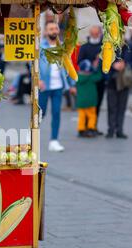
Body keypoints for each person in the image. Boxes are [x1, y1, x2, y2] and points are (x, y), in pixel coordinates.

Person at [39, 21, 76, 152]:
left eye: (55, 28)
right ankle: (31, 134)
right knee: (39, 113)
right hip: (44, 86)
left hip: (58, 86)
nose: (54, 31)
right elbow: (32, 64)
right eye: (51, 29)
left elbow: (68, 65)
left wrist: (71, 84)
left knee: (56, 113)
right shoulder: (40, 47)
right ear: (46, 32)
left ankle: (54, 141)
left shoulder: (62, 47)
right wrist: (37, 79)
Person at [106, 40, 132, 139]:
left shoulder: (131, 47)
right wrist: (113, 65)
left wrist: (125, 64)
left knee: (121, 107)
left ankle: (119, 130)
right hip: (111, 82)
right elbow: (103, 63)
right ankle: (111, 130)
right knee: (111, 107)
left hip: (125, 82)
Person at [78, 26, 106, 134]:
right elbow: (80, 61)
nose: (94, 35)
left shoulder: (104, 46)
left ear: (100, 34)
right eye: (92, 33)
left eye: (96, 33)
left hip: (99, 79)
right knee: (85, 106)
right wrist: (90, 66)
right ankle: (83, 128)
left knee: (96, 104)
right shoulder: (84, 47)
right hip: (87, 80)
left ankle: (93, 126)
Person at [76, 59, 102, 138]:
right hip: (91, 101)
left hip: (81, 101)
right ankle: (91, 128)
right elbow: (99, 76)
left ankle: (81, 129)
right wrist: (97, 67)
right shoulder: (91, 77)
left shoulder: (78, 78)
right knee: (92, 115)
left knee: (81, 116)